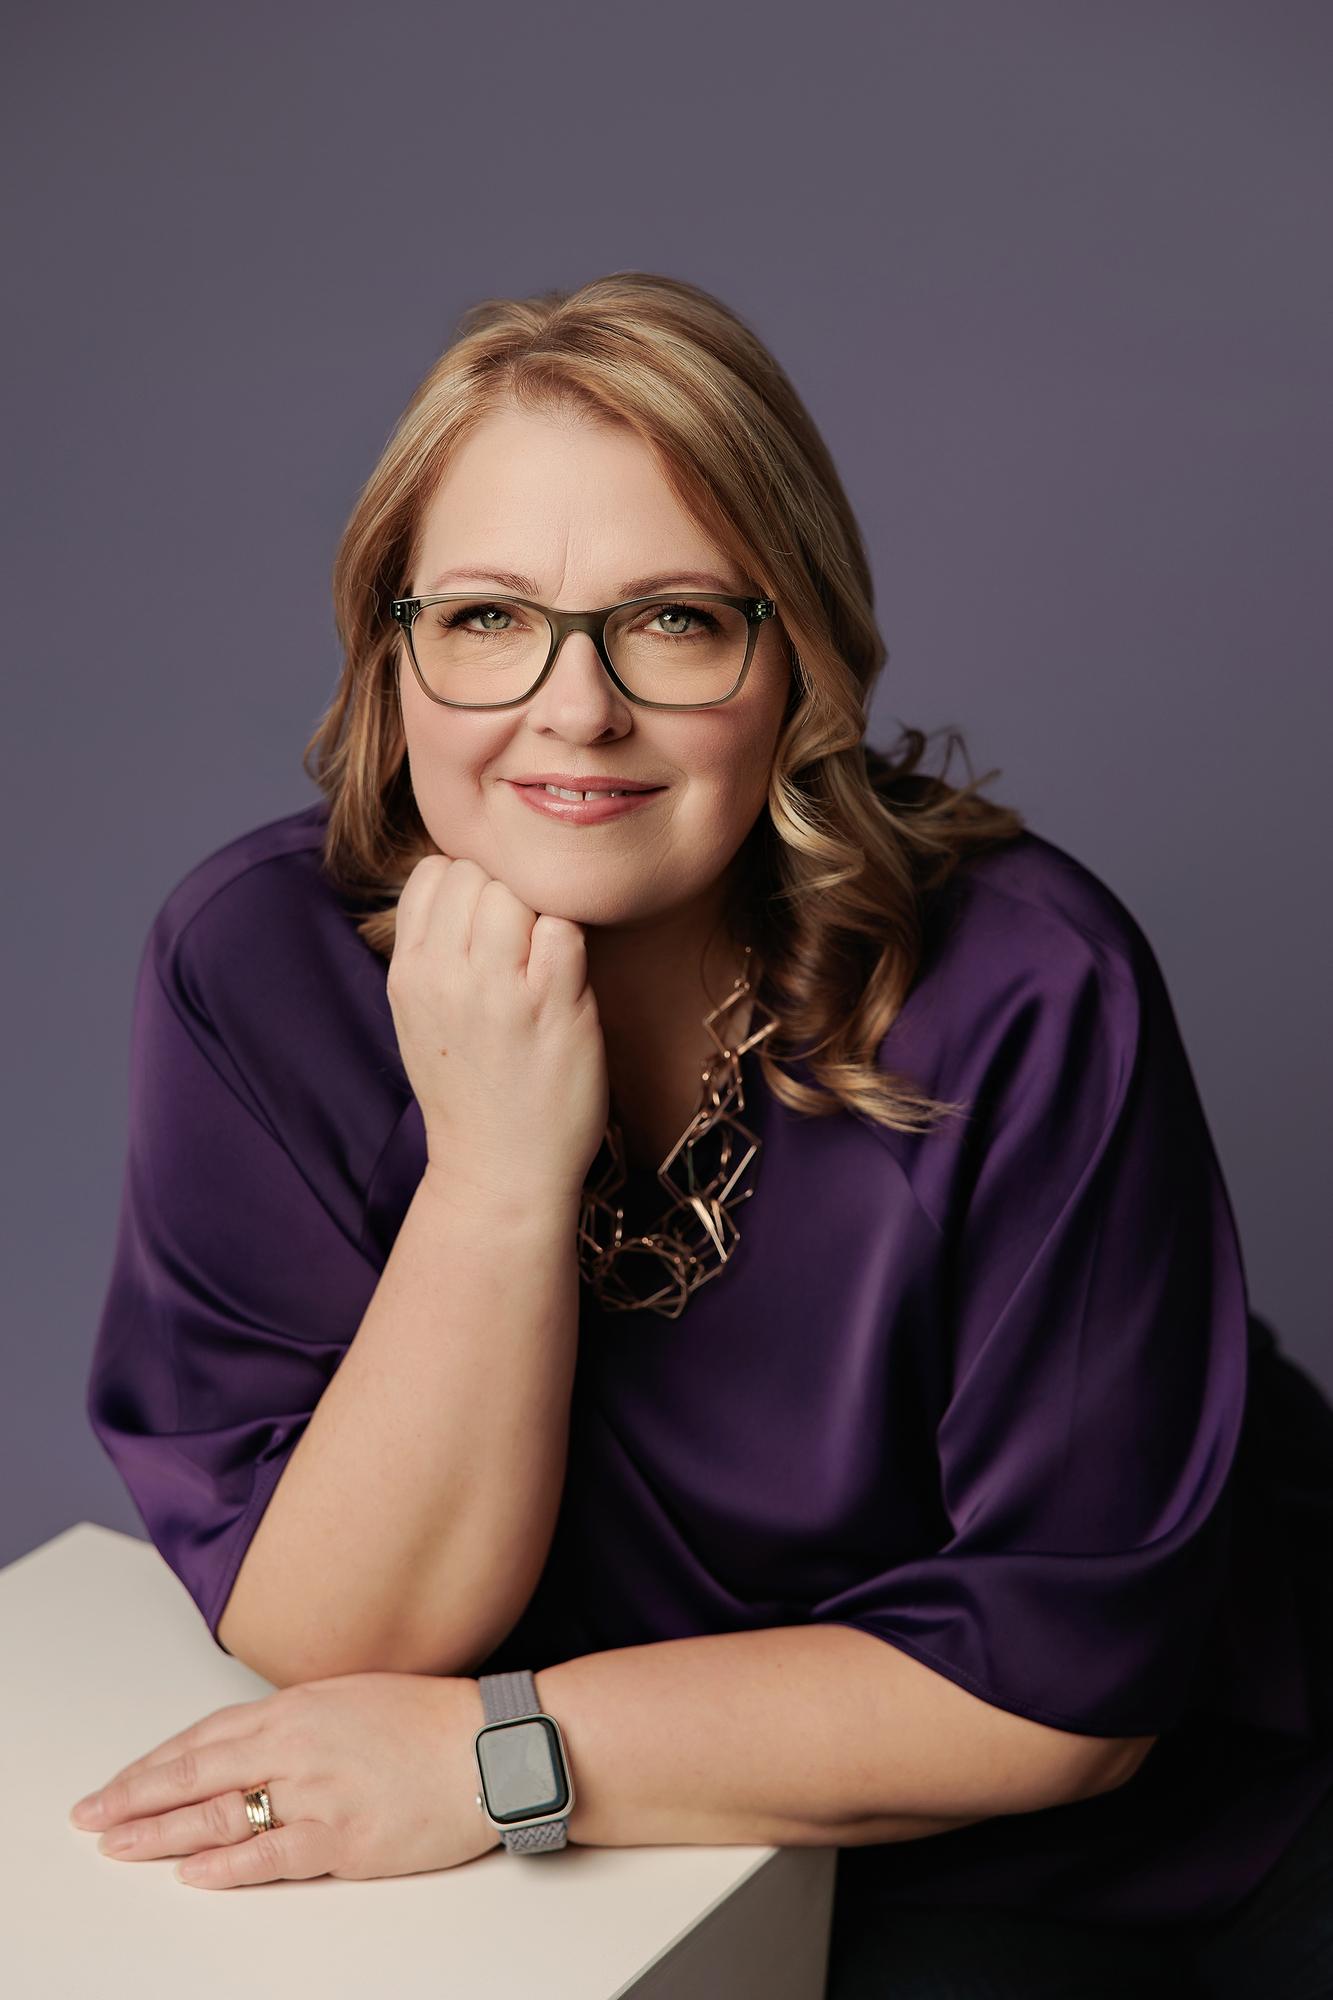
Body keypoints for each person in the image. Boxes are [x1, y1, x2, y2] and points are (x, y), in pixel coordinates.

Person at [79, 272, 1333, 1985]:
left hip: (1143, 1848)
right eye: (488, 617)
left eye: (671, 619)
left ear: (795, 653)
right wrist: (496, 1176)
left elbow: (1062, 1688)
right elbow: (342, 1635)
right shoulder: (256, 967)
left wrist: (497, 1759)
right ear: (393, 650)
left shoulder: (1025, 982)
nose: (575, 707)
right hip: (650, 1863)